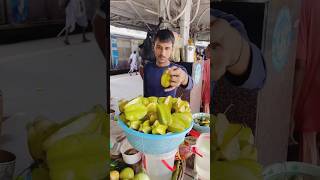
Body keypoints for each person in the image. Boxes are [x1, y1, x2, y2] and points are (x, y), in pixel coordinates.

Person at [291, 0, 320, 165]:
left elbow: (300, 65)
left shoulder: (304, 5)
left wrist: (290, 114)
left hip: (310, 102)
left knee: (308, 164)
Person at [141, 29, 193, 97]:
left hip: (168, 107)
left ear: (172, 49)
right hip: (148, 107)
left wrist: (184, 78)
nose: (163, 53)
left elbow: (191, 85)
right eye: (159, 47)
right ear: (154, 47)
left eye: (167, 48)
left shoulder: (177, 70)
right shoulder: (147, 67)